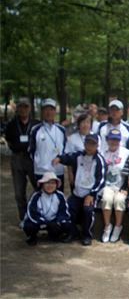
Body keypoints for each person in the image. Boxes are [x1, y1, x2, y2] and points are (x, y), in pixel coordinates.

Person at [52, 134, 107, 246]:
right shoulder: (79, 156)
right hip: (77, 193)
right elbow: (68, 157)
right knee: (68, 208)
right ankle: (73, 233)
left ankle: (87, 235)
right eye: (87, 143)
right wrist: (59, 159)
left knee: (88, 210)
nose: (89, 146)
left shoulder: (100, 160)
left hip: (91, 193)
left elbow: (101, 180)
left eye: (92, 144)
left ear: (97, 146)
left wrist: (92, 194)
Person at [5, 97, 40, 226]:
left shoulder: (36, 124)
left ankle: (37, 215)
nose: (23, 110)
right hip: (17, 158)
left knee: (38, 187)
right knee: (19, 191)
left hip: (32, 158)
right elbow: (9, 142)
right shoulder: (12, 125)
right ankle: (23, 217)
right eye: (20, 107)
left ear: (30, 109)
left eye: (26, 107)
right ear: (17, 109)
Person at [99, 129, 129, 243]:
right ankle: (107, 227)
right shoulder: (103, 153)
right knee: (107, 199)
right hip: (107, 186)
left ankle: (118, 227)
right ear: (107, 140)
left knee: (119, 200)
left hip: (121, 186)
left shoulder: (126, 153)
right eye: (111, 139)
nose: (113, 142)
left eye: (116, 140)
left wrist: (126, 188)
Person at [23, 172, 72, 246]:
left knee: (68, 224)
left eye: (53, 183)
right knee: (29, 226)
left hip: (54, 220)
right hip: (40, 221)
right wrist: (46, 222)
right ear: (42, 184)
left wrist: (57, 222)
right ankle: (31, 237)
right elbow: (32, 213)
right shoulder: (36, 196)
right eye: (47, 183)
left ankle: (54, 234)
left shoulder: (60, 195)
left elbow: (64, 212)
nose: (50, 186)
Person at [29, 98, 67, 191]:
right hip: (41, 171)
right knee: (41, 198)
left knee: (58, 198)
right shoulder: (36, 129)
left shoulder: (61, 129)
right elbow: (31, 150)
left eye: (51, 109)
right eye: (46, 109)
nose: (48, 112)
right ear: (42, 112)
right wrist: (39, 162)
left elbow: (65, 149)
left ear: (55, 111)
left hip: (57, 171)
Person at [65, 114, 93, 190]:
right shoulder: (73, 138)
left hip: (91, 170)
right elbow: (69, 157)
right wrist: (70, 174)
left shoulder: (95, 137)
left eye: (88, 122)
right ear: (79, 124)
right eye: (83, 122)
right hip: (76, 170)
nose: (85, 125)